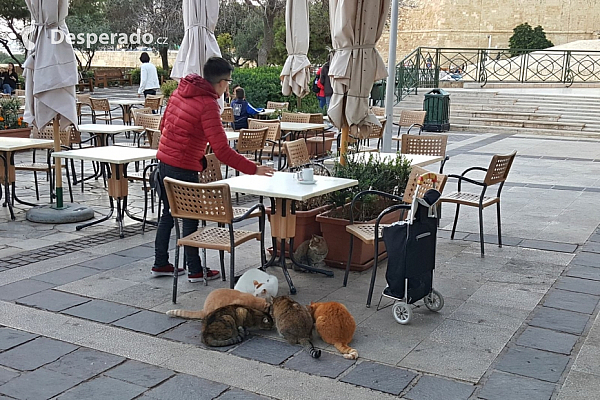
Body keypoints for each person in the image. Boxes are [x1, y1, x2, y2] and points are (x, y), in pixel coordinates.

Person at [152, 57, 275, 282]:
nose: (228, 87)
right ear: (221, 82)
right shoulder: (208, 105)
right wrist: (253, 168)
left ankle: (160, 263)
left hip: (164, 163)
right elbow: (222, 151)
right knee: (190, 219)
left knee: (168, 215)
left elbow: (163, 125)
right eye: (228, 82)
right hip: (184, 168)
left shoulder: (180, 91)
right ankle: (195, 271)